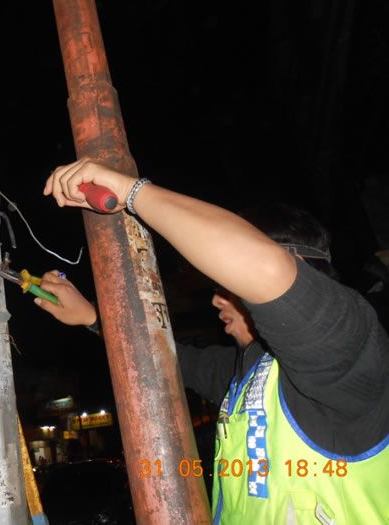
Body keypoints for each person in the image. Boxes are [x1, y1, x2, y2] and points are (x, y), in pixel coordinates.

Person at [34, 157, 389, 524]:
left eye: (228, 284)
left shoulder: (348, 345)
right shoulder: (249, 372)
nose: (218, 299)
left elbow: (266, 268)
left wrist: (131, 192)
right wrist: (92, 318)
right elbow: (163, 358)